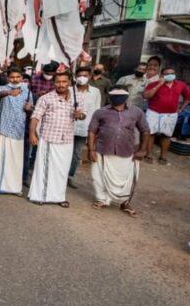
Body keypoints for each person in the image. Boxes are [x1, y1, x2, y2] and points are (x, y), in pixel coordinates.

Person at [88, 87, 149, 216]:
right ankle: (101, 199)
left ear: (126, 96)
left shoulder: (136, 112)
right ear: (109, 96)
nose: (117, 98)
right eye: (113, 95)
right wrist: (91, 149)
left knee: (127, 179)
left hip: (127, 151)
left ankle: (125, 202)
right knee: (98, 176)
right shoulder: (100, 112)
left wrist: (143, 149)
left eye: (120, 95)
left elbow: (145, 130)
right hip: (103, 150)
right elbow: (92, 131)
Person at [28, 72, 85, 207]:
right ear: (54, 83)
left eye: (64, 81)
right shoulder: (46, 98)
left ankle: (59, 197)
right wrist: (32, 134)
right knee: (45, 168)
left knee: (62, 169)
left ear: (69, 82)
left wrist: (79, 115)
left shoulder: (78, 98)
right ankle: (40, 195)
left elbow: (82, 116)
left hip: (67, 140)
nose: (61, 84)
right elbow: (35, 117)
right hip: (49, 138)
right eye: (58, 82)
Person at [0, 67, 33, 196]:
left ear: (22, 78)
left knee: (16, 161)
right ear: (8, 78)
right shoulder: (2, 88)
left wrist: (29, 108)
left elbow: (30, 110)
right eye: (12, 77)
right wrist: (9, 93)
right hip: (2, 129)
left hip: (18, 130)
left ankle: (14, 188)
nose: (15, 79)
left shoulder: (27, 91)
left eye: (18, 77)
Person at [142, 67, 190, 165]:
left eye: (172, 73)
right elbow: (146, 96)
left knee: (167, 135)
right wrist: (159, 84)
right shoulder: (153, 84)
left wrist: (181, 108)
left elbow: (188, 97)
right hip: (153, 112)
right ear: (162, 75)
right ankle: (149, 154)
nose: (170, 75)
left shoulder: (180, 85)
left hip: (171, 114)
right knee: (150, 133)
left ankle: (163, 156)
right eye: (167, 73)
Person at [68, 66, 101, 188]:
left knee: (76, 154)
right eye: (79, 75)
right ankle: (59, 175)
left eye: (85, 75)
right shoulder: (69, 90)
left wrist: (95, 129)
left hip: (84, 128)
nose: (82, 78)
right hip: (67, 127)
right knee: (64, 152)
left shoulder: (95, 92)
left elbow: (96, 111)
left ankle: (69, 177)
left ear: (90, 76)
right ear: (75, 77)